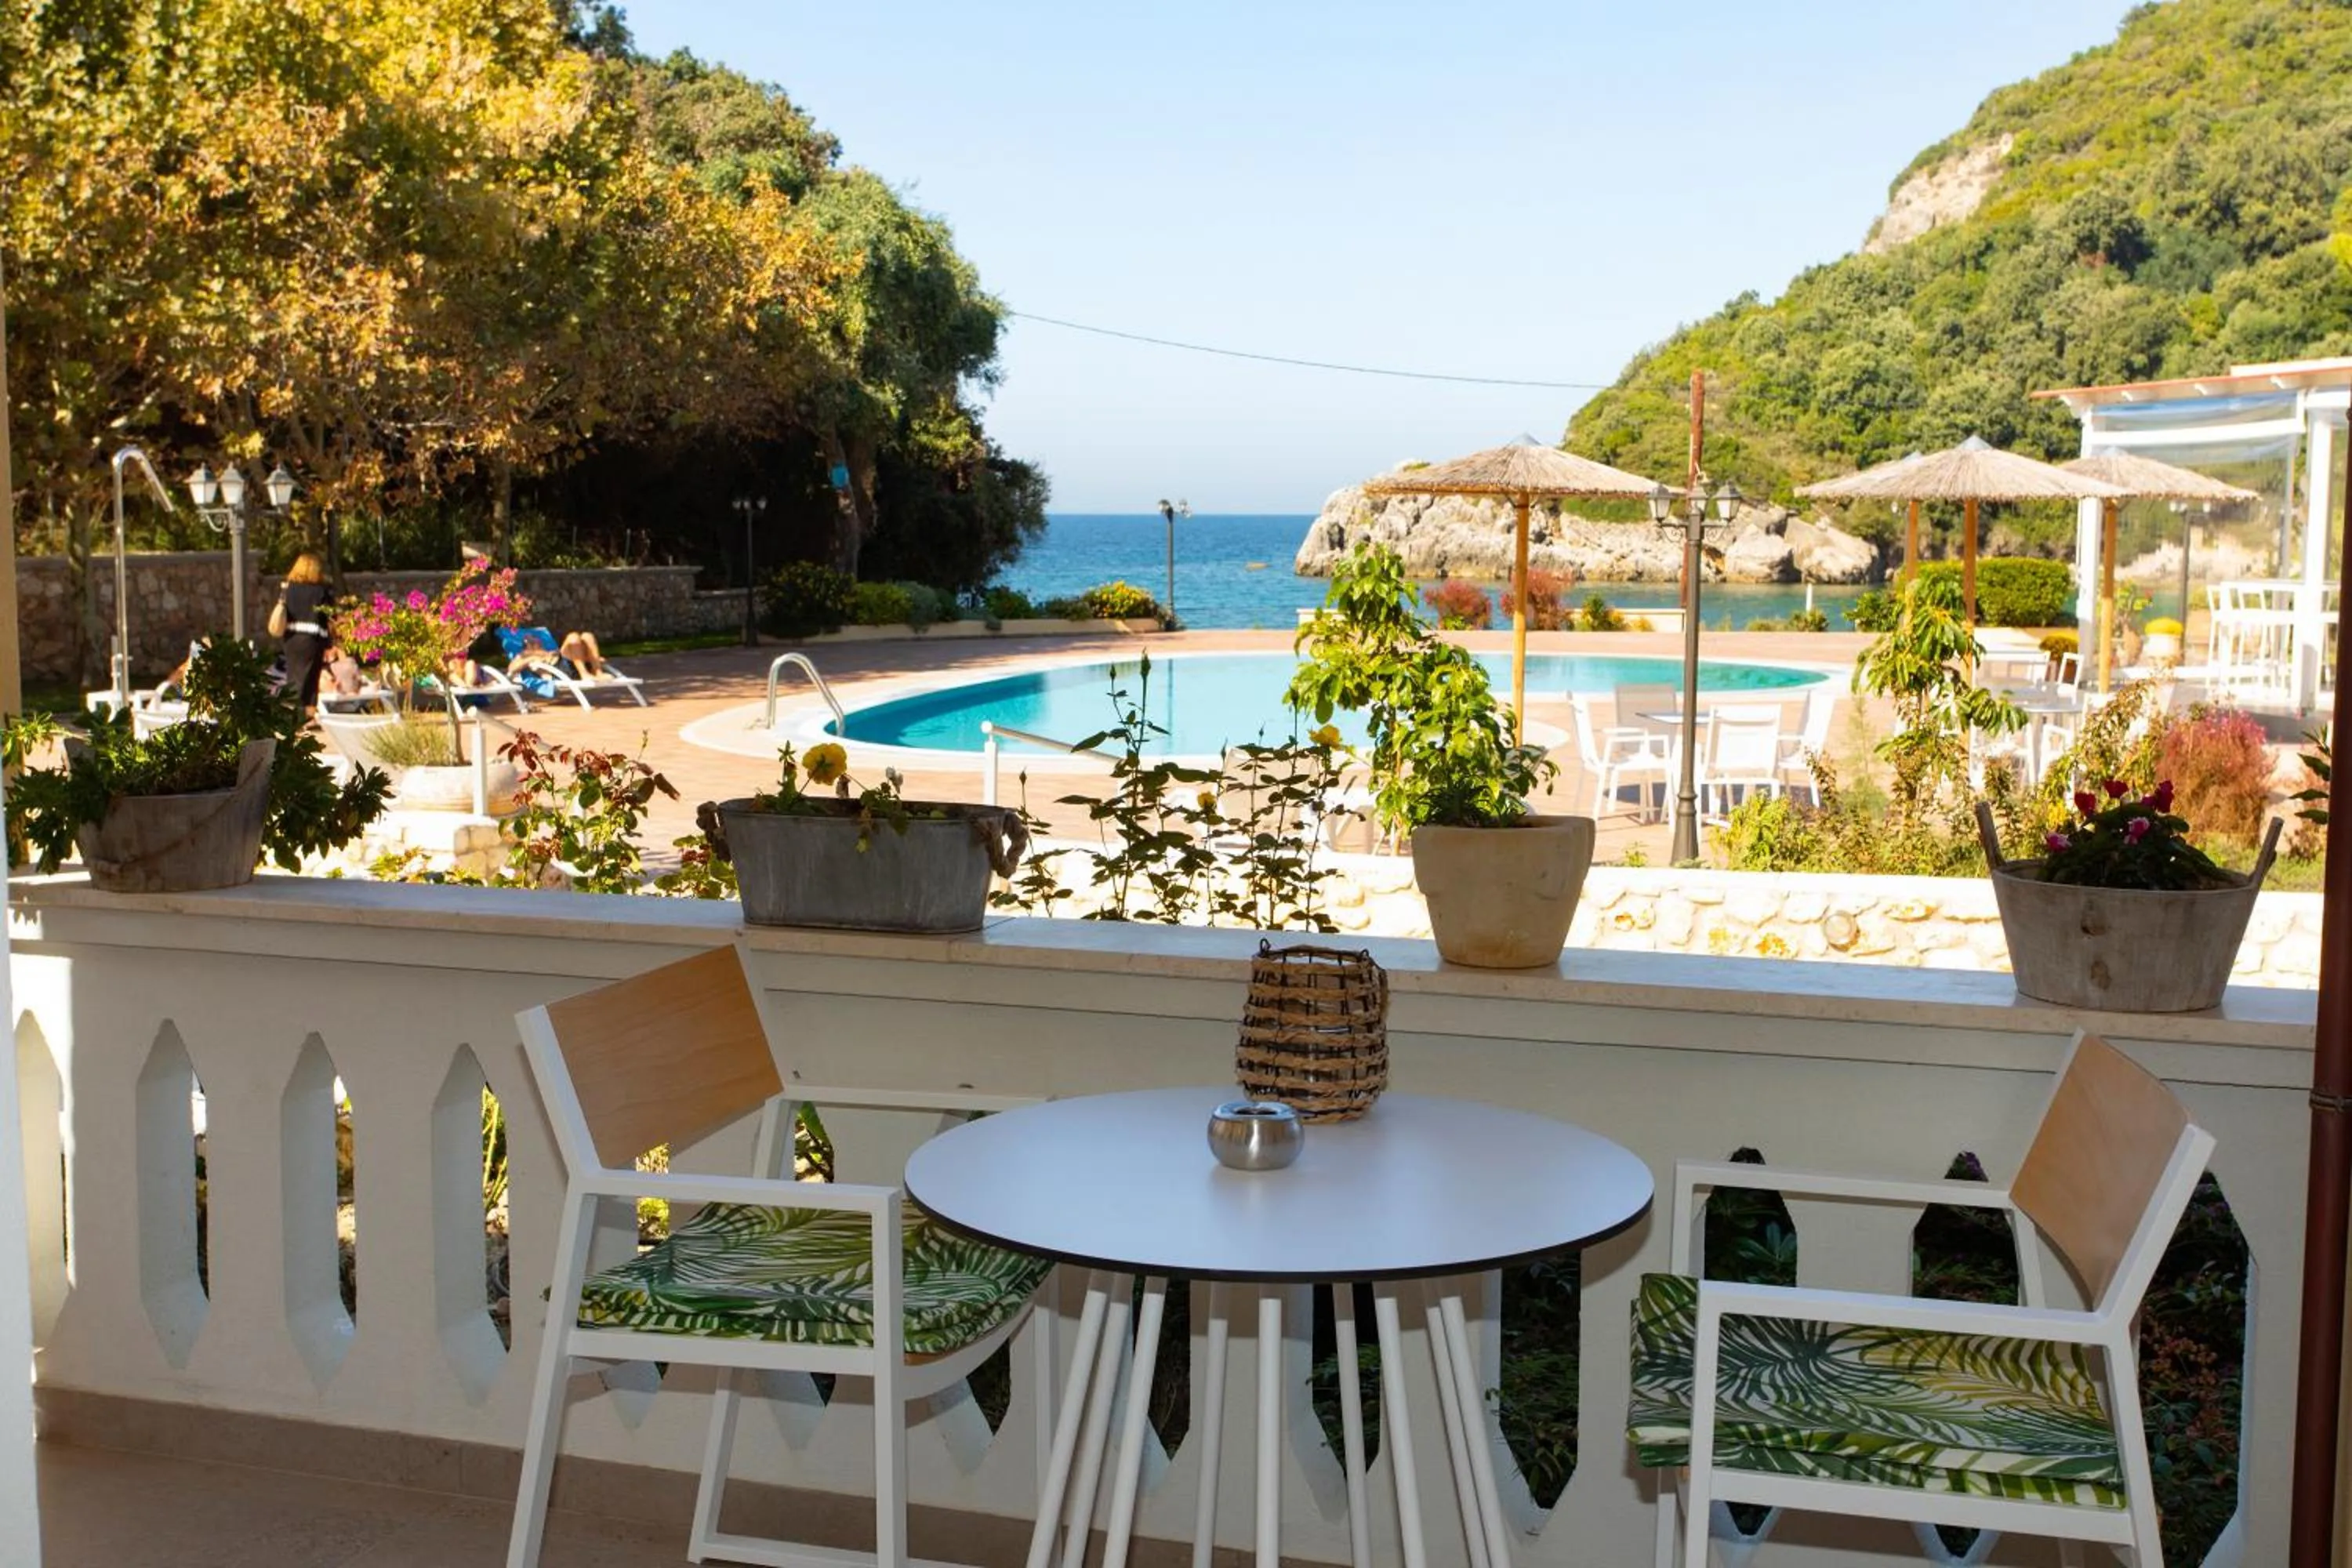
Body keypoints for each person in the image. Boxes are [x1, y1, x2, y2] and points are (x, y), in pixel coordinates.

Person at [272, 554, 331, 714]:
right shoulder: (321, 591)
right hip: (311, 640)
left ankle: (292, 711)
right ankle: (306, 714)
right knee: (310, 678)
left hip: (291, 639)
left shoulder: (288, 588)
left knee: (294, 675)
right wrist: (328, 644)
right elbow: (326, 618)